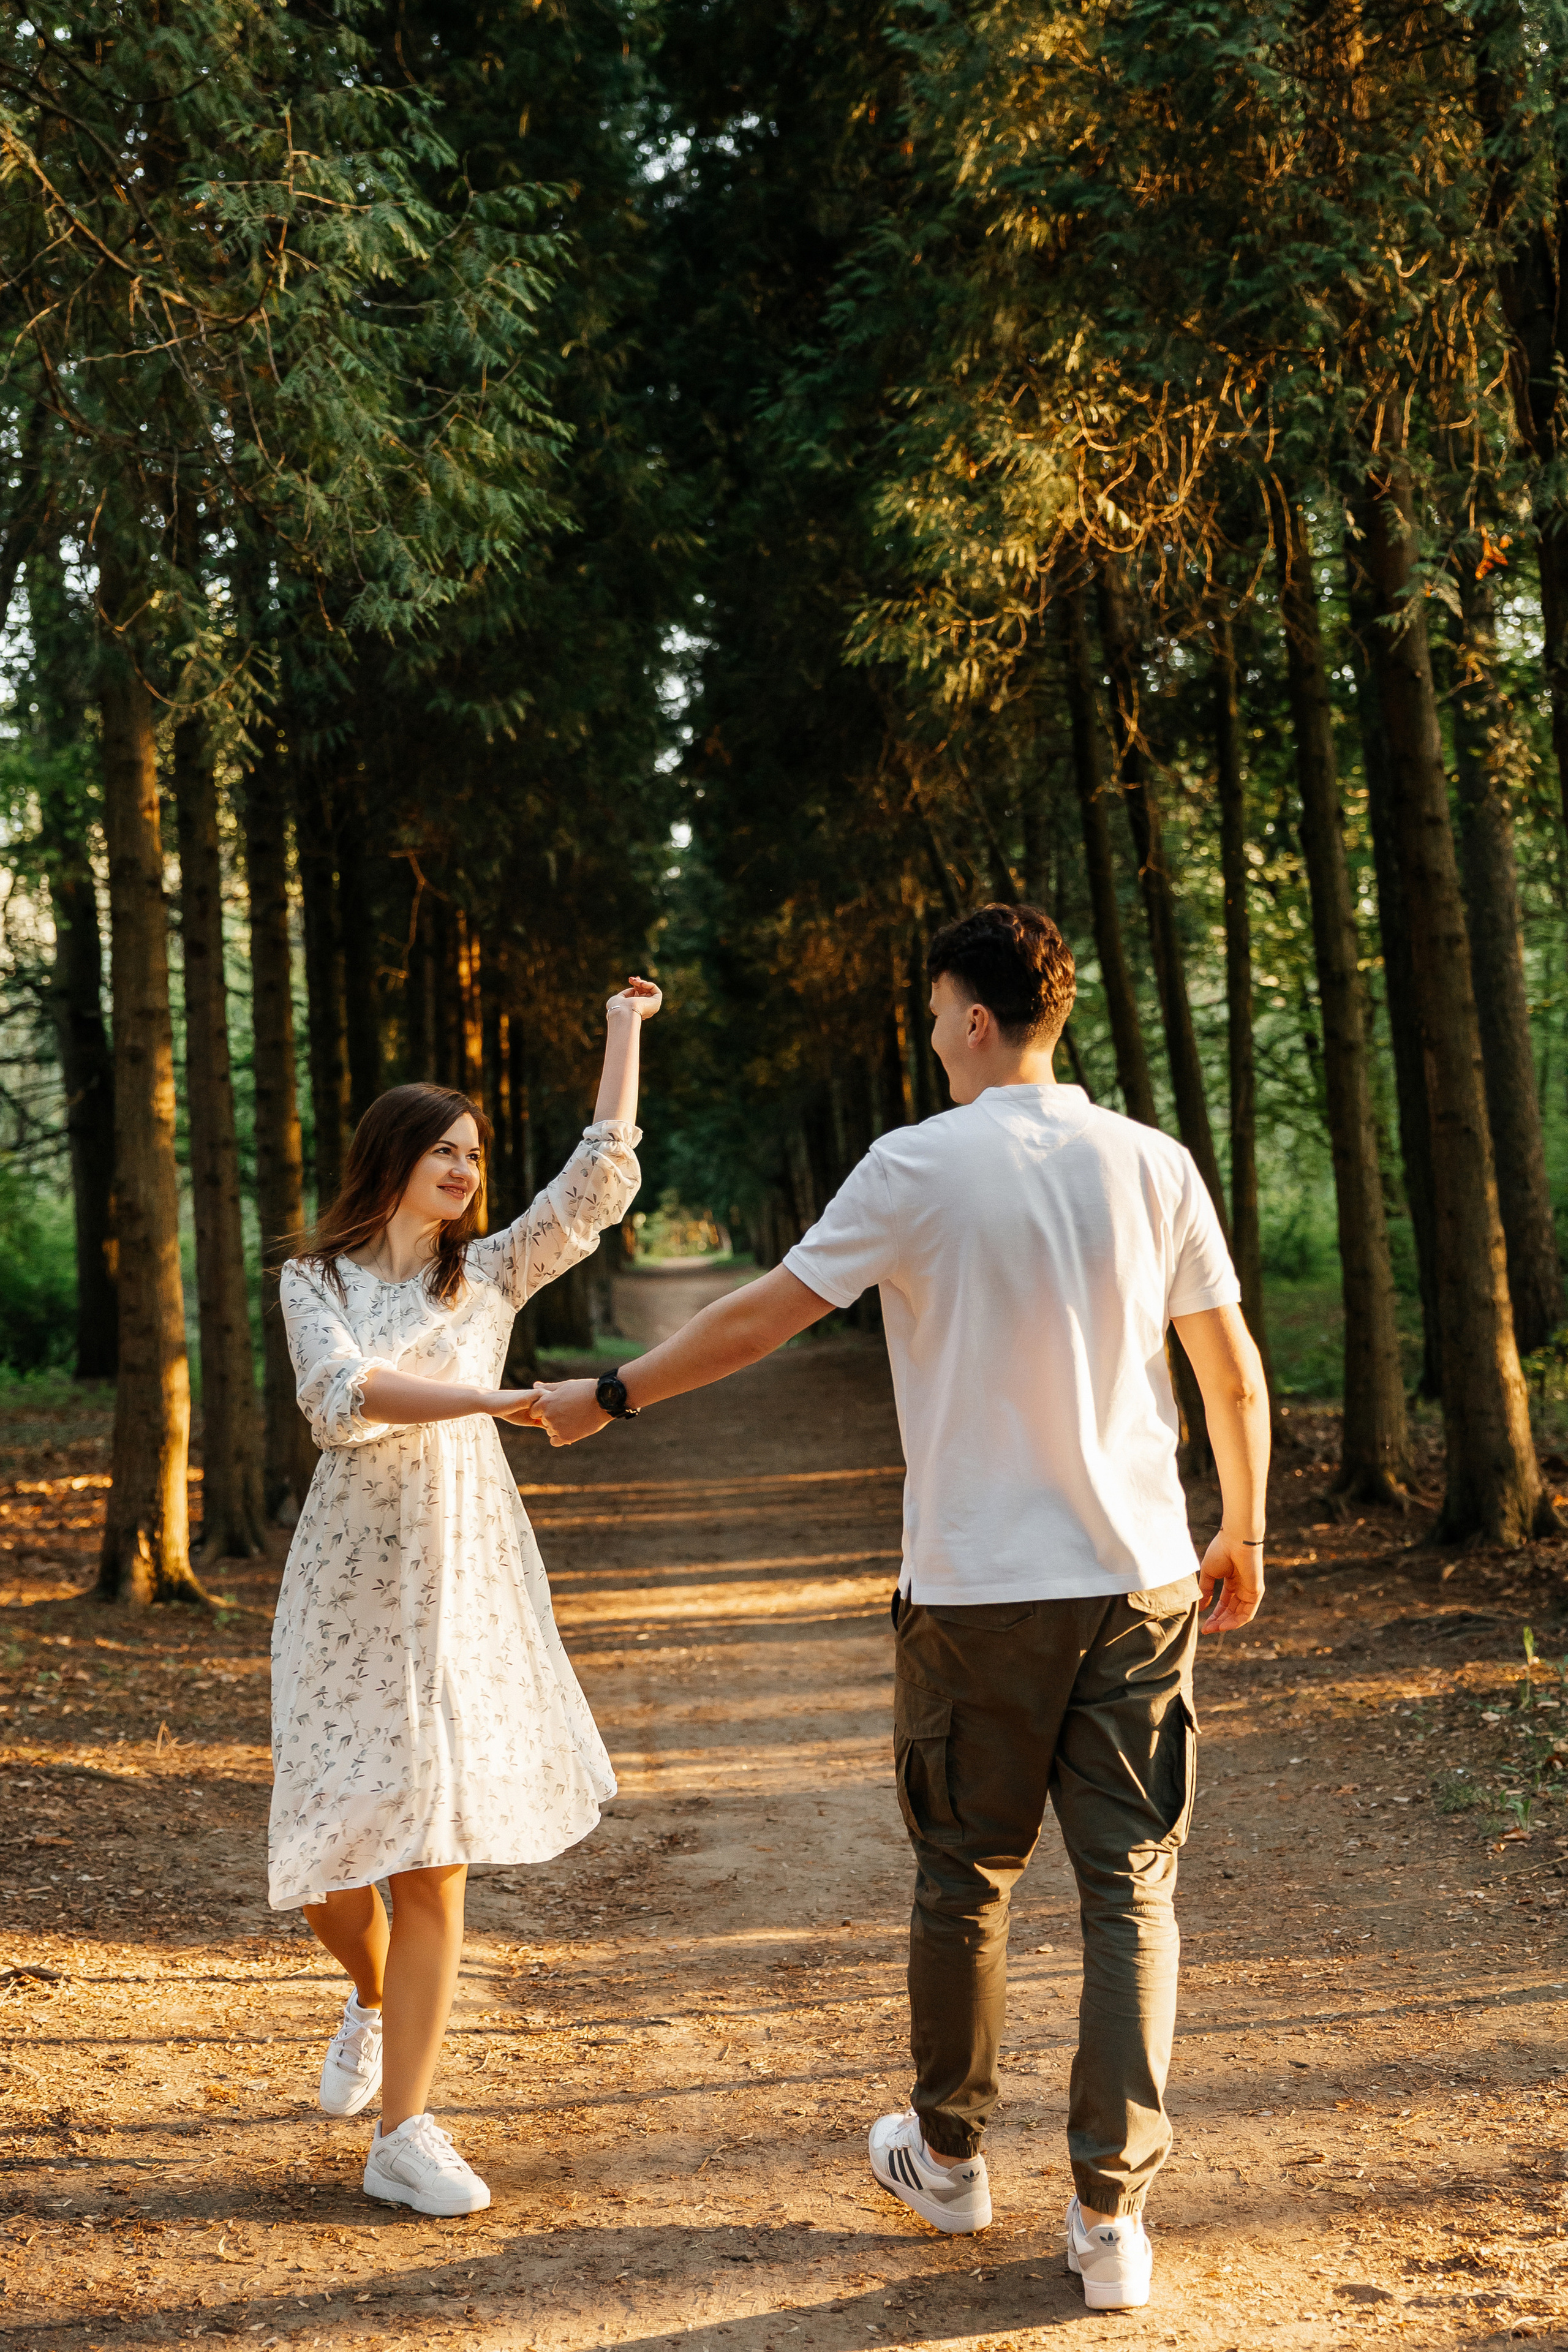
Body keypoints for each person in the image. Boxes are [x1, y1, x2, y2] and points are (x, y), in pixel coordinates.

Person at [533, 907, 1268, 2314]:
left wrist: (612, 1394)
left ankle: (945, 2159)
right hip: (1138, 1581)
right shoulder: (1152, 1163)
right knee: (1130, 1894)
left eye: (936, 1014)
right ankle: (1110, 2223)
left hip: (977, 1591)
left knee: (965, 1877)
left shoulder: (917, 1166)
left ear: (974, 1020)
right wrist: (1241, 1526)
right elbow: (1226, 1367)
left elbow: (762, 1318)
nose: (932, 1036)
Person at [270, 977, 660, 2218]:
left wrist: (619, 1034)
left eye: (476, 1155)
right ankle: (374, 1997)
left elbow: (596, 1182)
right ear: (390, 1160)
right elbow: (344, 1399)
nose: (466, 1169)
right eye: (444, 1151)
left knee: (431, 1856)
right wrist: (492, 1404)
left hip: (463, 1577)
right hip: (345, 1586)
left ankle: (406, 2130)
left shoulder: (484, 1275)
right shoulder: (313, 1281)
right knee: (330, 1861)